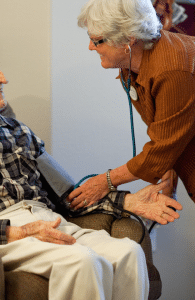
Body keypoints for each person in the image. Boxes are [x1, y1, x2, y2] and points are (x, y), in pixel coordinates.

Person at [0, 37, 181, 300]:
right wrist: (15, 231)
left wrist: (126, 202)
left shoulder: (20, 132)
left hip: (48, 221)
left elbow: (66, 192)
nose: (3, 78)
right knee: (82, 261)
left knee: (129, 252)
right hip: (2, 235)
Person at [67, 0, 195, 215]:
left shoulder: (172, 70)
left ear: (128, 39)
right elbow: (170, 131)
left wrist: (104, 182)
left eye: (97, 40)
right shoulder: (131, 66)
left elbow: (162, 146)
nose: (91, 47)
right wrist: (168, 174)